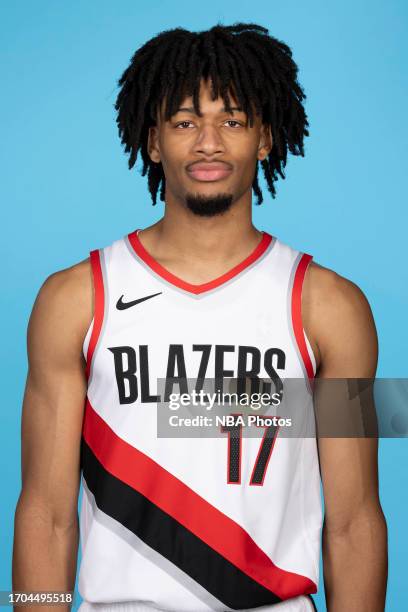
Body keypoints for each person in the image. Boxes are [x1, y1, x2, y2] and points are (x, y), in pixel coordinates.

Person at [13, 22, 387, 612]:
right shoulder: (73, 298)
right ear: (154, 140)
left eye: (232, 121)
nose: (208, 142)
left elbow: (355, 519)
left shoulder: (333, 307)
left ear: (265, 138)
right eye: (185, 122)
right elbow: (45, 512)